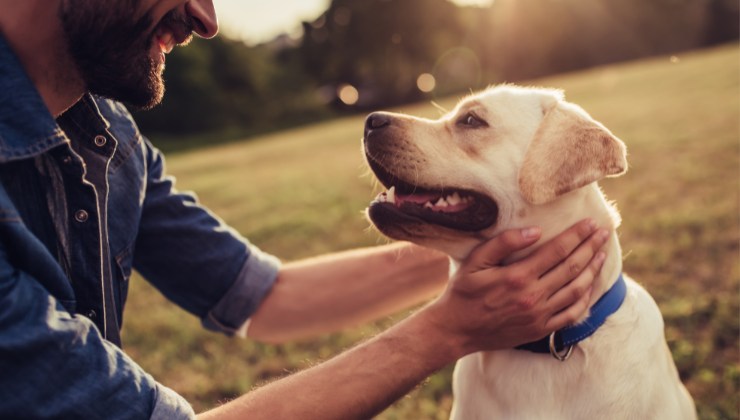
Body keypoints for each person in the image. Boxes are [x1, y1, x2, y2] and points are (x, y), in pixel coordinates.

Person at [0, 1, 609, 418]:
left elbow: (267, 296)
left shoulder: (108, 137)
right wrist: (447, 329)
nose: (206, 18)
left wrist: (508, 241)